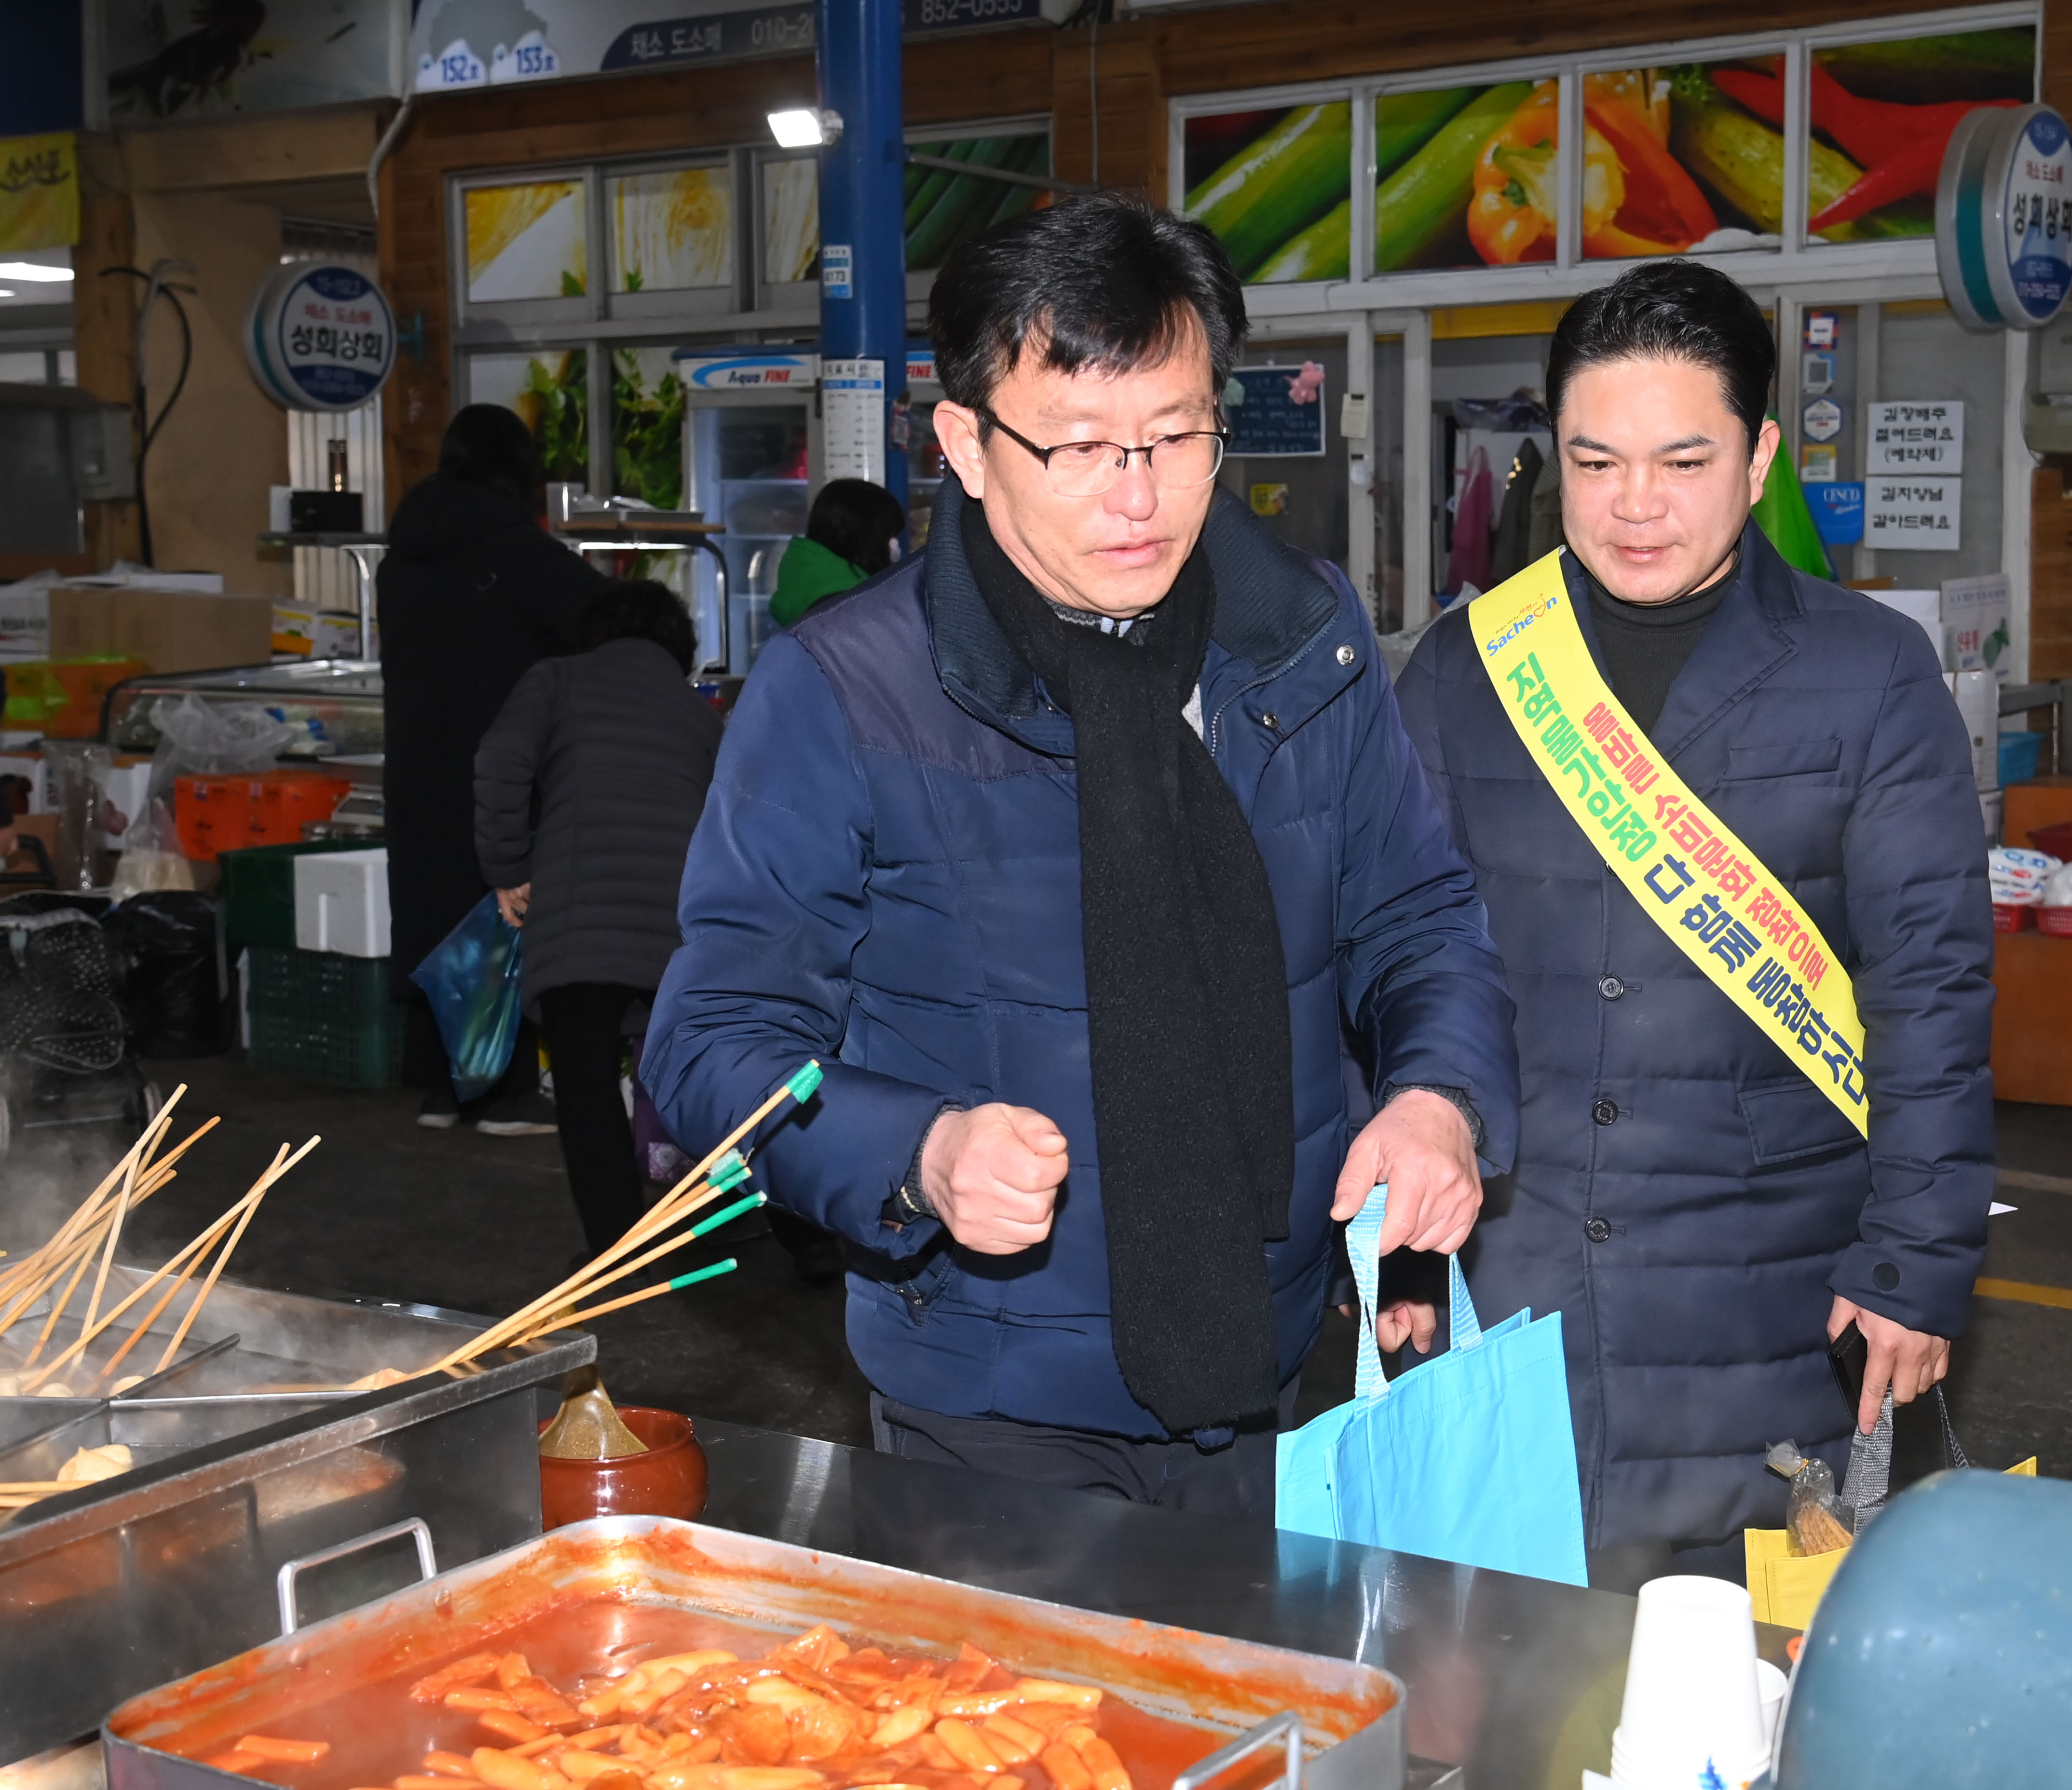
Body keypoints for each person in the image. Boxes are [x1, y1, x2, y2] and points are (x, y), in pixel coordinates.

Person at [641, 191, 1518, 1516]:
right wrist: (918, 1152)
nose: (1140, 494)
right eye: (1082, 447)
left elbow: (1421, 919)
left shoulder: (1302, 638)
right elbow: (711, 1039)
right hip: (990, 1398)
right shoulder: (847, 691)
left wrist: (1439, 1097)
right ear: (968, 446)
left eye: (1176, 435)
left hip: (1271, 1367)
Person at [1396, 259, 1996, 1575]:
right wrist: (1388, 1249)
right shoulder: (1468, 665)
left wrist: (1921, 1258)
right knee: (1499, 1687)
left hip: (1775, 1289)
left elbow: (1931, 989)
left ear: (1761, 451)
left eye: (1684, 458)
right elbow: (1396, 953)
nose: (1637, 506)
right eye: (1596, 461)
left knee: (1739, 1694)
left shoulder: (1868, 673)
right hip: (1512, 1273)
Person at [474, 579, 725, 1259]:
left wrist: (507, 867)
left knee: (585, 1085)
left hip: (582, 922)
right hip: (682, 930)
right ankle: (793, 1229)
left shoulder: (556, 680)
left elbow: (500, 761)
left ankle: (616, 1251)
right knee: (707, 1077)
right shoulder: (697, 712)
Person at [381, 404, 602, 1134]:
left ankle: (446, 1088)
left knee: (440, 918)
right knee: (503, 915)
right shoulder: (517, 551)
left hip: (418, 766)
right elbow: (604, 620)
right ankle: (504, 1087)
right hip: (508, 764)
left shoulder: (404, 554)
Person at [769, 477, 907, 628]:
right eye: (890, 535)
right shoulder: (847, 607)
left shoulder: (810, 582)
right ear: (867, 537)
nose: (895, 545)